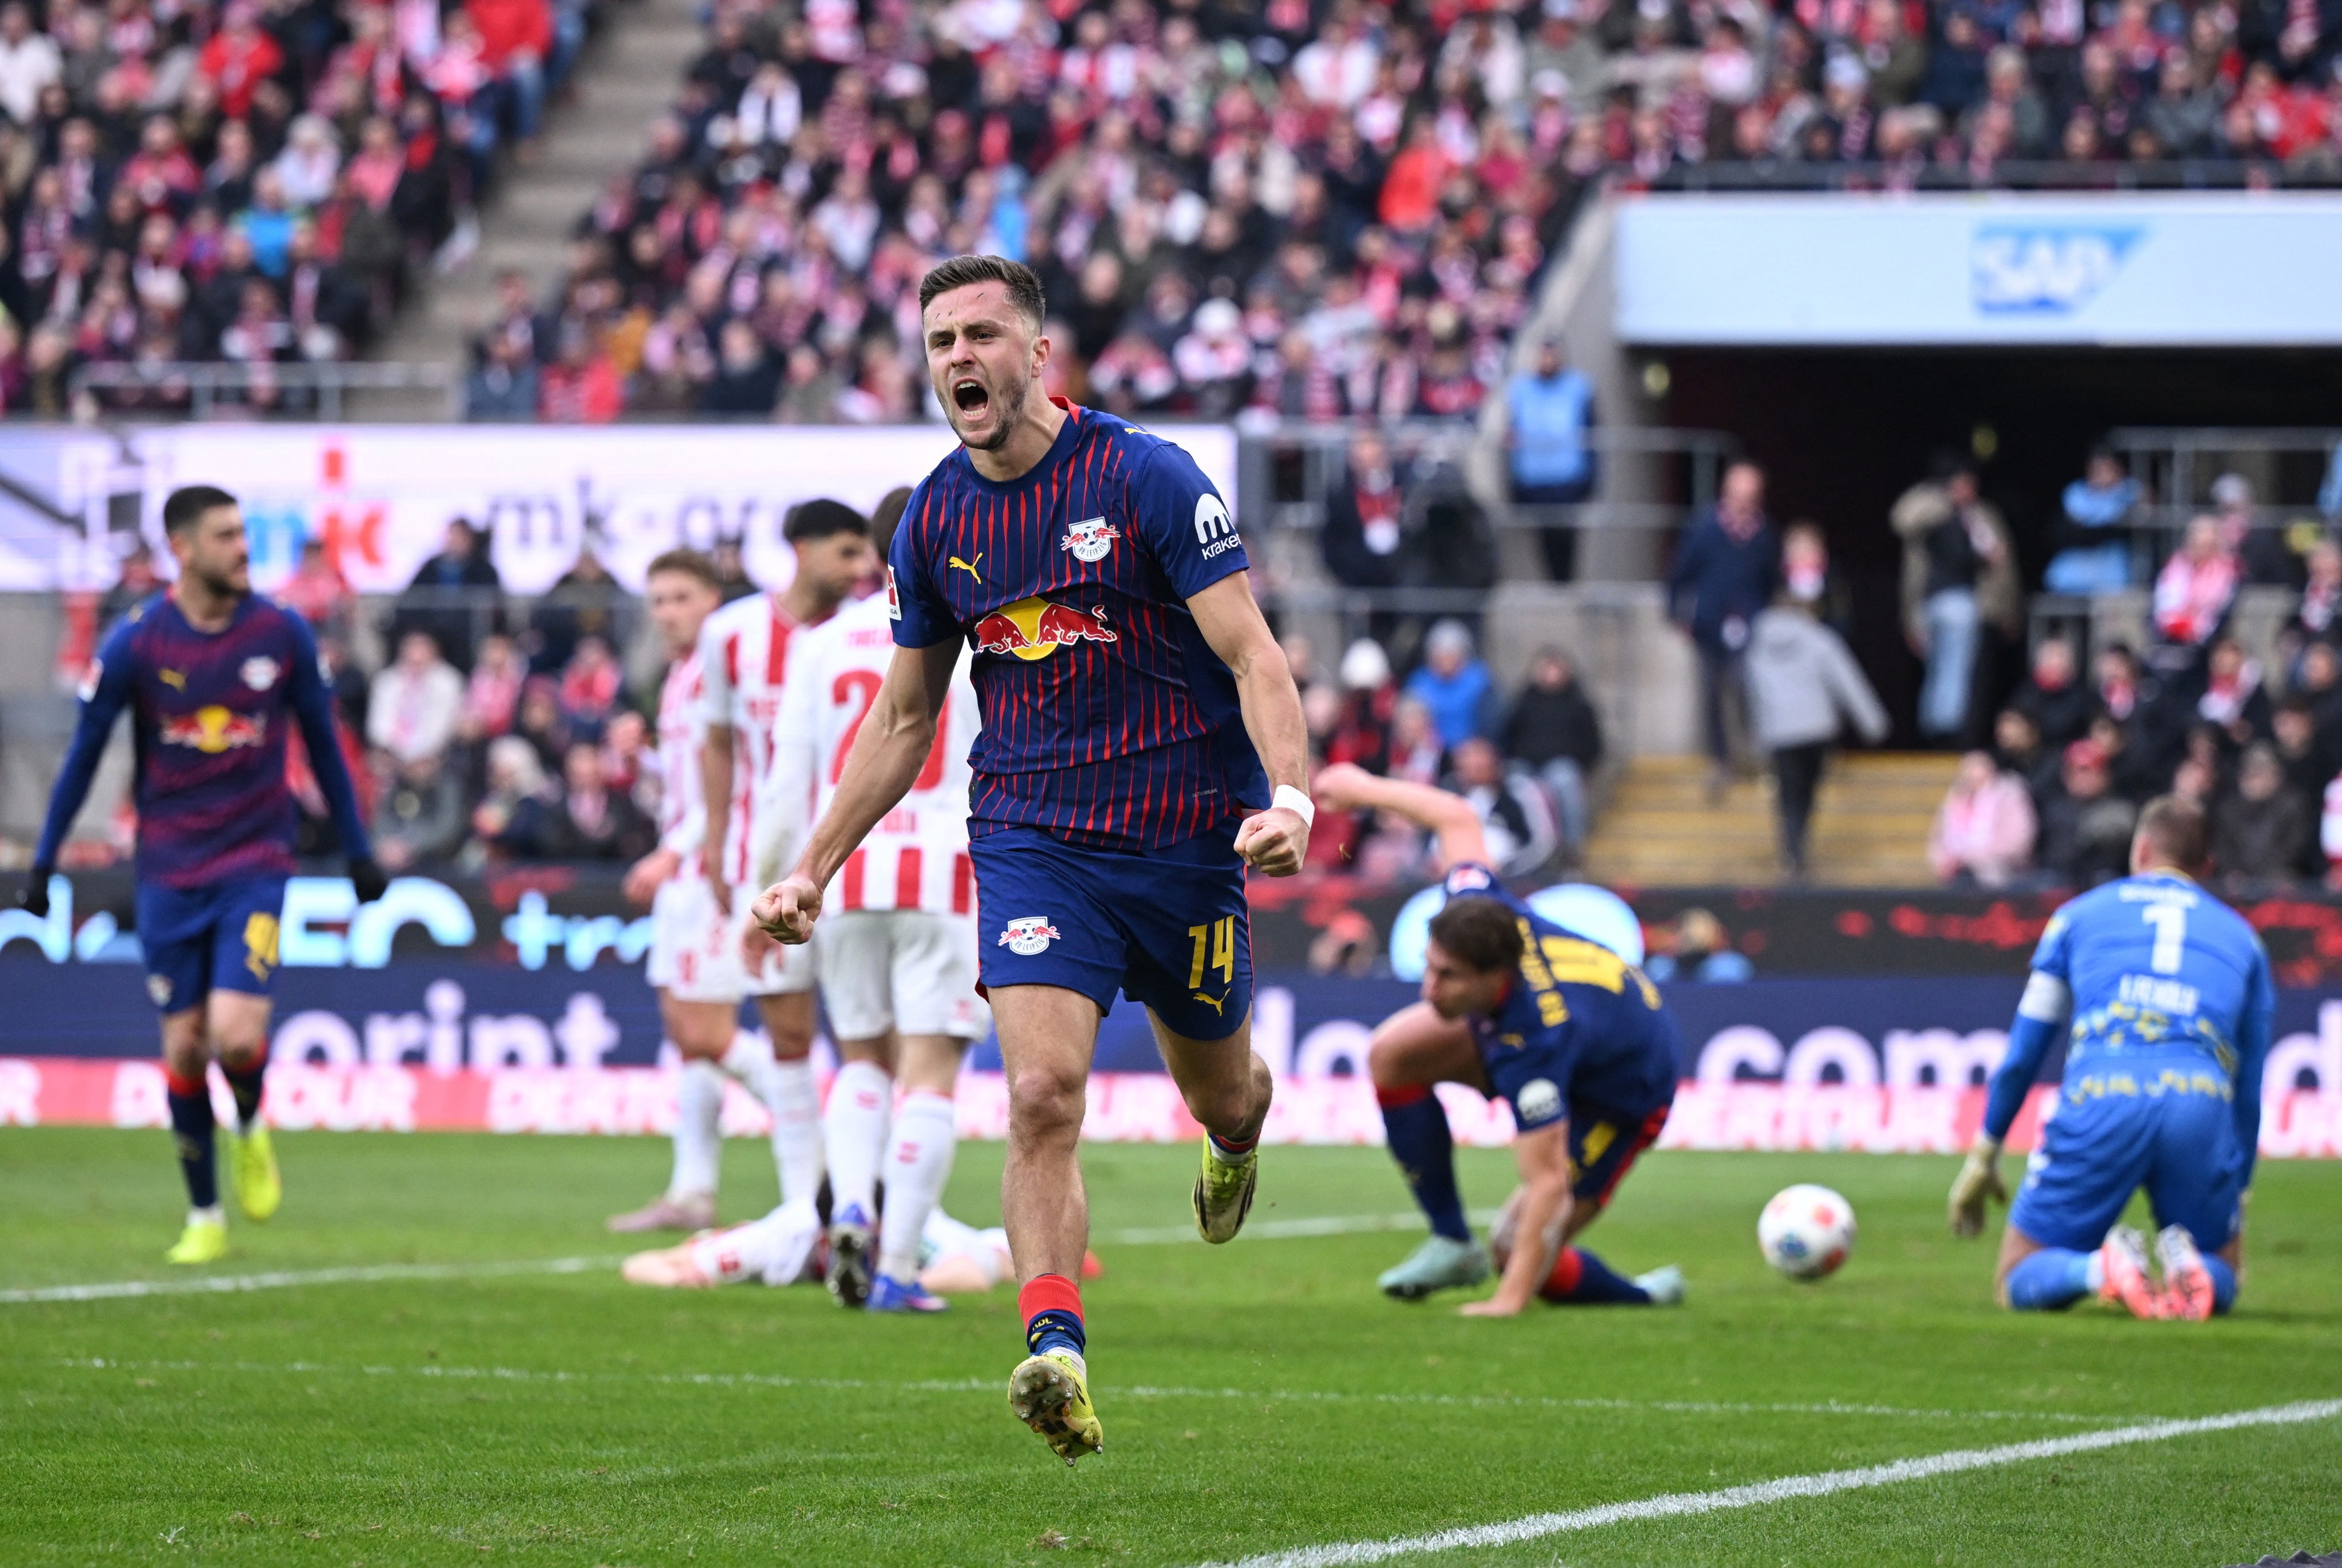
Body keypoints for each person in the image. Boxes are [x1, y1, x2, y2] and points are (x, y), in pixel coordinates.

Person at [753, 256, 1309, 1467]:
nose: (960, 356)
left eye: (984, 335)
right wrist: (812, 867)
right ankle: (1056, 1343)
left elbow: (1256, 656)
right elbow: (905, 720)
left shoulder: (1146, 476)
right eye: (941, 337)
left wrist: (1293, 797)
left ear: (1038, 355)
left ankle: (1236, 1137)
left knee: (1225, 1089)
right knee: (1042, 1094)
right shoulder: (938, 519)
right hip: (1031, 836)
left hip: (1183, 839)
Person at [19, 486, 383, 1265]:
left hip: (256, 862)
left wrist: (357, 850)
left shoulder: (280, 631)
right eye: (225, 536)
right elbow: (85, 754)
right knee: (184, 1047)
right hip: (168, 870)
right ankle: (205, 1213)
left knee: (234, 1032)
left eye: (242, 533)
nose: (242, 549)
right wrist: (46, 859)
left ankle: (250, 1125)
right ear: (183, 549)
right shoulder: (137, 643)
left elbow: (323, 742)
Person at [1310, 762, 1684, 1312]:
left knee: (1517, 1249)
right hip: (1580, 1024)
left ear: (1492, 979)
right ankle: (1452, 1241)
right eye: (1430, 968)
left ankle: (1643, 1295)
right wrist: (1363, 790)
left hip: (1624, 1092)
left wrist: (1507, 1301)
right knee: (1394, 1054)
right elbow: (1454, 815)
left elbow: (1548, 1182)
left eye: (1448, 977)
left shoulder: (1537, 1038)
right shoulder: (1474, 901)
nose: (1428, 989)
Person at [758, 497, 990, 1314]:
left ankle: (849, 1205)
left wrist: (776, 885)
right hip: (948, 869)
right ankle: (894, 1267)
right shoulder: (976, 640)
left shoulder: (819, 648)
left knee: (861, 1059)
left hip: (844, 869)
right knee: (928, 1072)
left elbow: (787, 787)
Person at [1949, 797, 2273, 1322]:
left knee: (2018, 1275)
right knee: (2223, 1271)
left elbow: (2023, 1053)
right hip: (2199, 1099)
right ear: (2207, 867)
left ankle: (2099, 1272)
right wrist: (2240, 1187)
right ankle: (2189, 1264)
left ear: (2140, 850)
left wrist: (1984, 1155)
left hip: (2105, 1091)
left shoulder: (2076, 918)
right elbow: (2251, 1080)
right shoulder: (2245, 939)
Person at [660, 501, 878, 1235]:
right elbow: (716, 745)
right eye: (846, 554)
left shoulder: (872, 631)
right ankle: (803, 1206)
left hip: (860, 861)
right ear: (802, 548)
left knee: (867, 1041)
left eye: (865, 556)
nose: (860, 569)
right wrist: (719, 842)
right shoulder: (731, 635)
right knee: (786, 1033)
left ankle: (869, 1201)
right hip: (767, 861)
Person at [606, 548, 828, 1235]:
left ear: (712, 599)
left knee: (704, 1029)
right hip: (689, 860)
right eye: (658, 600)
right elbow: (683, 781)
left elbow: (737, 778)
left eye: (680, 597)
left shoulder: (725, 661)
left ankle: (821, 1159)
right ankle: (693, 1187)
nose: (668, 612)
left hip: (715, 866)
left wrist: (674, 852)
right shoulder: (679, 677)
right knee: (688, 1036)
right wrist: (638, 760)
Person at [1744, 594, 1889, 882]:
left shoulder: (1756, 645)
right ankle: (1797, 851)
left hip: (1780, 733)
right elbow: (1847, 680)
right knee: (1806, 792)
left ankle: (1792, 852)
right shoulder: (1819, 637)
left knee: (1788, 793)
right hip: (1816, 729)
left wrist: (1756, 739)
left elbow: (1753, 694)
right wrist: (1874, 723)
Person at [1664, 461, 1777, 801]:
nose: (1743, 500)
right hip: (1710, 625)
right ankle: (1721, 760)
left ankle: (1754, 753)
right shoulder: (1704, 528)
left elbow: (1770, 580)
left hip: (1750, 626)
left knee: (1749, 687)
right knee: (1712, 694)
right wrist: (1675, 612)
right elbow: (1680, 571)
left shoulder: (1764, 534)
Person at [1504, 335, 1597, 582]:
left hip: (1568, 481)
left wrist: (1591, 480)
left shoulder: (1578, 387)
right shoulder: (1522, 390)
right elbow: (1512, 436)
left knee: (1566, 542)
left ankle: (1565, 590)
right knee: (1543, 544)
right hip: (1534, 481)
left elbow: (1592, 436)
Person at [1498, 647, 1602, 858]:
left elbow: (1592, 743)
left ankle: (1572, 848)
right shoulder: (1523, 703)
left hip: (1559, 766)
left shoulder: (1578, 705)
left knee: (1565, 780)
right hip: (1527, 766)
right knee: (1513, 781)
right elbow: (1508, 736)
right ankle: (1518, 844)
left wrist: (1585, 770)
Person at [2037, 739, 2140, 889]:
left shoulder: (2121, 810)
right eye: (2078, 771)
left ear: (2106, 775)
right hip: (2061, 885)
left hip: (2105, 887)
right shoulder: (2055, 810)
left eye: (2091, 771)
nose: (2084, 779)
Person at [1928, 750, 2038, 888]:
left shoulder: (2009, 796)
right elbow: (1938, 838)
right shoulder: (1954, 800)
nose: (1972, 781)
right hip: (1958, 875)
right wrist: (1944, 861)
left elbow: (2019, 839)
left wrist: (1975, 857)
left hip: (2001, 875)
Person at [2211, 744, 2311, 885]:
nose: (2254, 777)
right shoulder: (2229, 808)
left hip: (2278, 875)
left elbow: (2294, 848)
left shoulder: (2292, 805)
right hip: (2239, 880)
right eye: (2249, 771)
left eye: (2261, 771)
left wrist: (2263, 876)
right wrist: (2233, 871)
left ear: (2277, 775)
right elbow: (2223, 849)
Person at [2046, 448, 2139, 595]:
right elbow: (2068, 532)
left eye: (2107, 468)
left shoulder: (2128, 493)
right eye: (2096, 468)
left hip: (2112, 580)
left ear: (2119, 471)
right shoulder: (2076, 494)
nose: (2100, 474)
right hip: (2073, 578)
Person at [1402, 619, 1497, 750]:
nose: (1445, 660)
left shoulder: (1479, 681)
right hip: (1429, 751)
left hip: (1469, 750)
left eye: (1450, 654)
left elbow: (1491, 724)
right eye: (1440, 654)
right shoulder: (1420, 682)